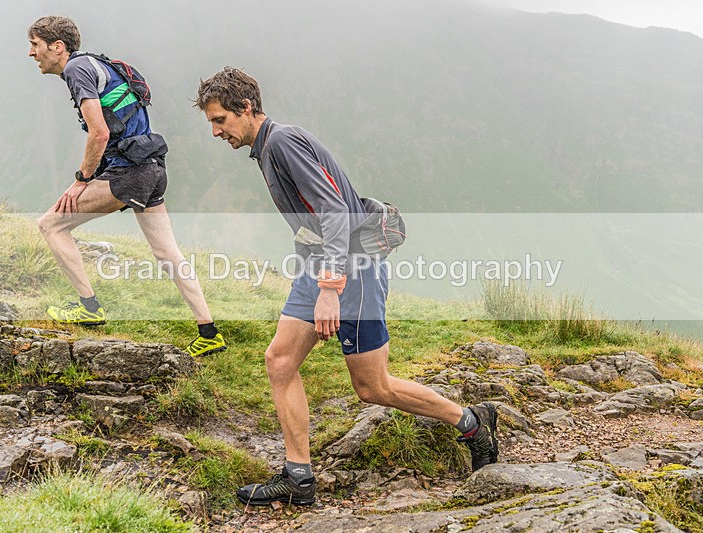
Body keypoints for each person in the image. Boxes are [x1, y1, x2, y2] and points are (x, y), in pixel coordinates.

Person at [195, 67, 499, 506]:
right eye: (211, 122)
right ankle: (298, 478)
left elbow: (335, 210)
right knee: (280, 361)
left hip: (351, 271)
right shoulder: (269, 147)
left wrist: (330, 288)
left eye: (219, 120)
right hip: (321, 266)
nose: (215, 131)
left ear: (246, 108)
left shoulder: (281, 142)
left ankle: (472, 422)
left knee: (372, 387)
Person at [27, 15, 225, 357]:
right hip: (152, 166)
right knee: (167, 252)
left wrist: (81, 181)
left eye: (35, 45)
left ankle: (89, 308)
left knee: (50, 225)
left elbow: (99, 132)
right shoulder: (98, 64)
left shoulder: (76, 70)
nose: (31, 53)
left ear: (57, 47)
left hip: (128, 172)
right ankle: (209, 333)